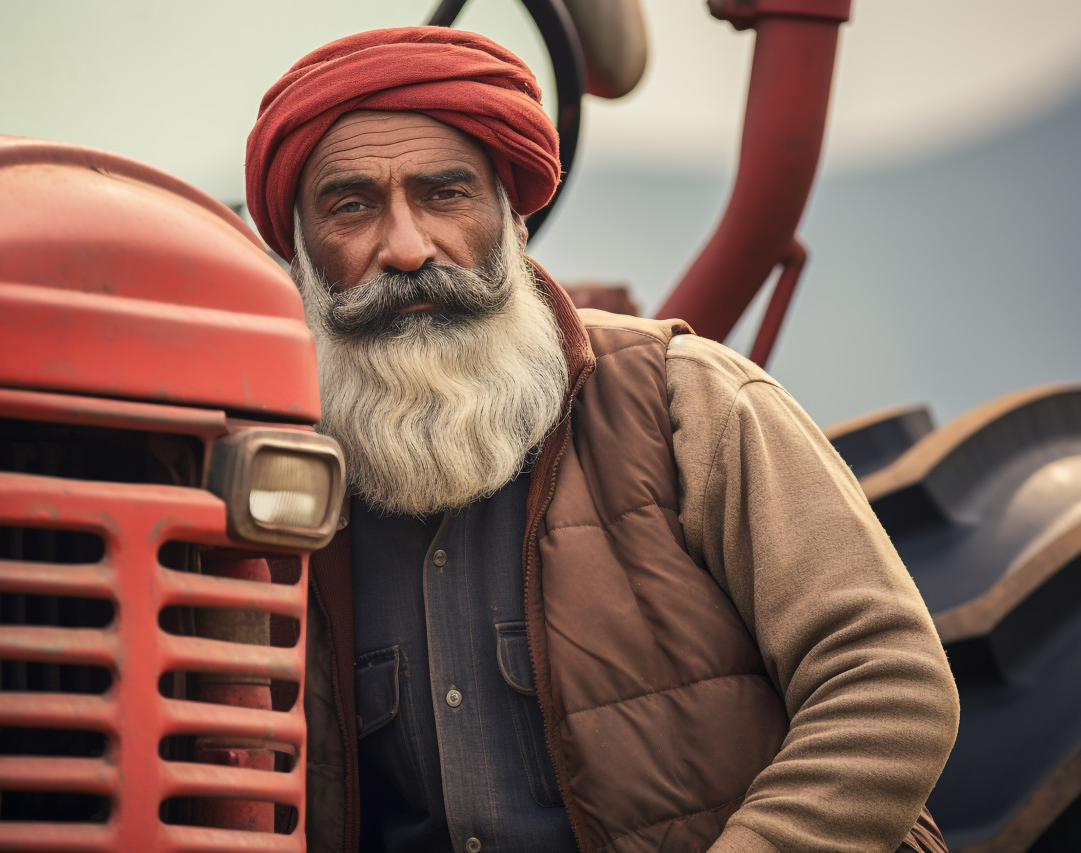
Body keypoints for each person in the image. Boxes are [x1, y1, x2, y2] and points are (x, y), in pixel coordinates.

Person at [244, 26, 959, 853]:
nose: (406, 248)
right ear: (299, 255)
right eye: (352, 206)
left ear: (513, 222)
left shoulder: (687, 401)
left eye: (445, 195)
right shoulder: (275, 484)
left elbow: (889, 682)